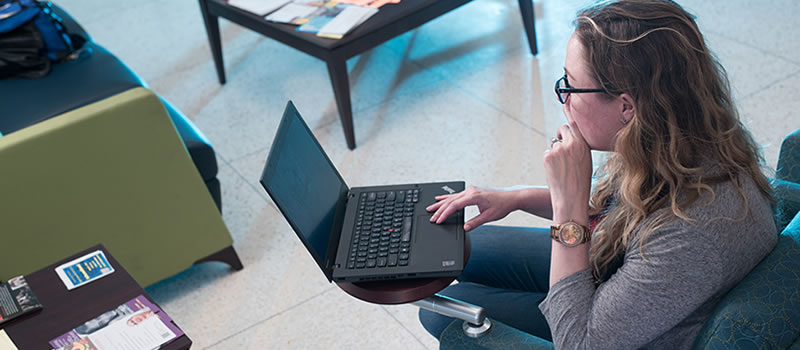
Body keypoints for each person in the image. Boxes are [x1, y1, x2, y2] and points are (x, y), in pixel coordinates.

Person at [418, 0, 777, 348]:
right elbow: (617, 212)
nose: (564, 99)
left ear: (626, 107)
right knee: (462, 247)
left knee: (445, 311)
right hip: (618, 263)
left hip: (610, 324)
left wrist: (570, 205)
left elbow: (580, 343)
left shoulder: (693, 234)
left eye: (571, 87)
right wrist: (516, 198)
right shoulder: (677, 140)